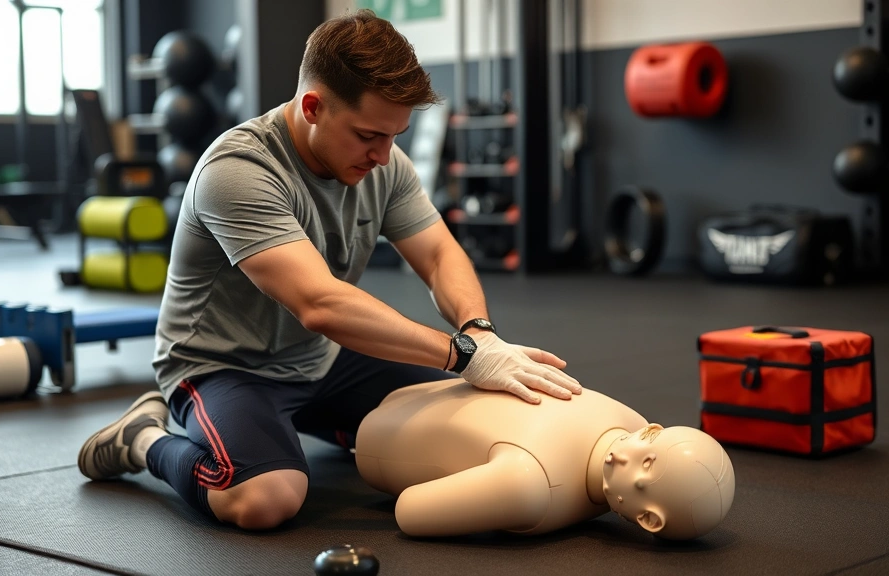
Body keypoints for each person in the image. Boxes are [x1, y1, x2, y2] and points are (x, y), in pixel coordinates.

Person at [76, 9, 581, 531]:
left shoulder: (384, 163)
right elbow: (319, 303)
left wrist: (480, 332)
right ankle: (143, 439)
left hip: (324, 361)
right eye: (369, 136)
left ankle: (321, 425)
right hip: (223, 367)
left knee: (476, 422)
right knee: (264, 497)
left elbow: (439, 255)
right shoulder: (238, 171)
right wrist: (462, 354)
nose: (384, 156)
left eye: (394, 136)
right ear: (313, 107)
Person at [355, 378, 736, 540]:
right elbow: (410, 512)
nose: (633, 445)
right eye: (652, 436)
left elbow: (411, 509)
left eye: (647, 464)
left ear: (648, 519)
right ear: (654, 427)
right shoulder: (531, 486)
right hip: (394, 417)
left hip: (383, 434)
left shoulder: (531, 485)